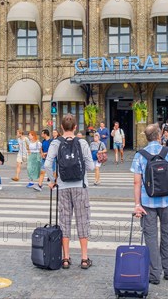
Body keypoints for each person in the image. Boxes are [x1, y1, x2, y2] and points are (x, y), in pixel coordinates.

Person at [44, 114, 95, 270]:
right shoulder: (82, 142)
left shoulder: (56, 143)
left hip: (63, 186)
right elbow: (91, 167)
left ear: (61, 128)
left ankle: (65, 258)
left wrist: (52, 180)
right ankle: (84, 259)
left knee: (65, 222)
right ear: (75, 128)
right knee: (82, 220)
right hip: (81, 187)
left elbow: (47, 164)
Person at [132, 124, 168, 285]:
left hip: (147, 202)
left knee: (150, 238)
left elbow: (137, 182)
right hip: (167, 201)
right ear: (159, 136)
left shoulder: (140, 155)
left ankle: (154, 274)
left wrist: (137, 204)